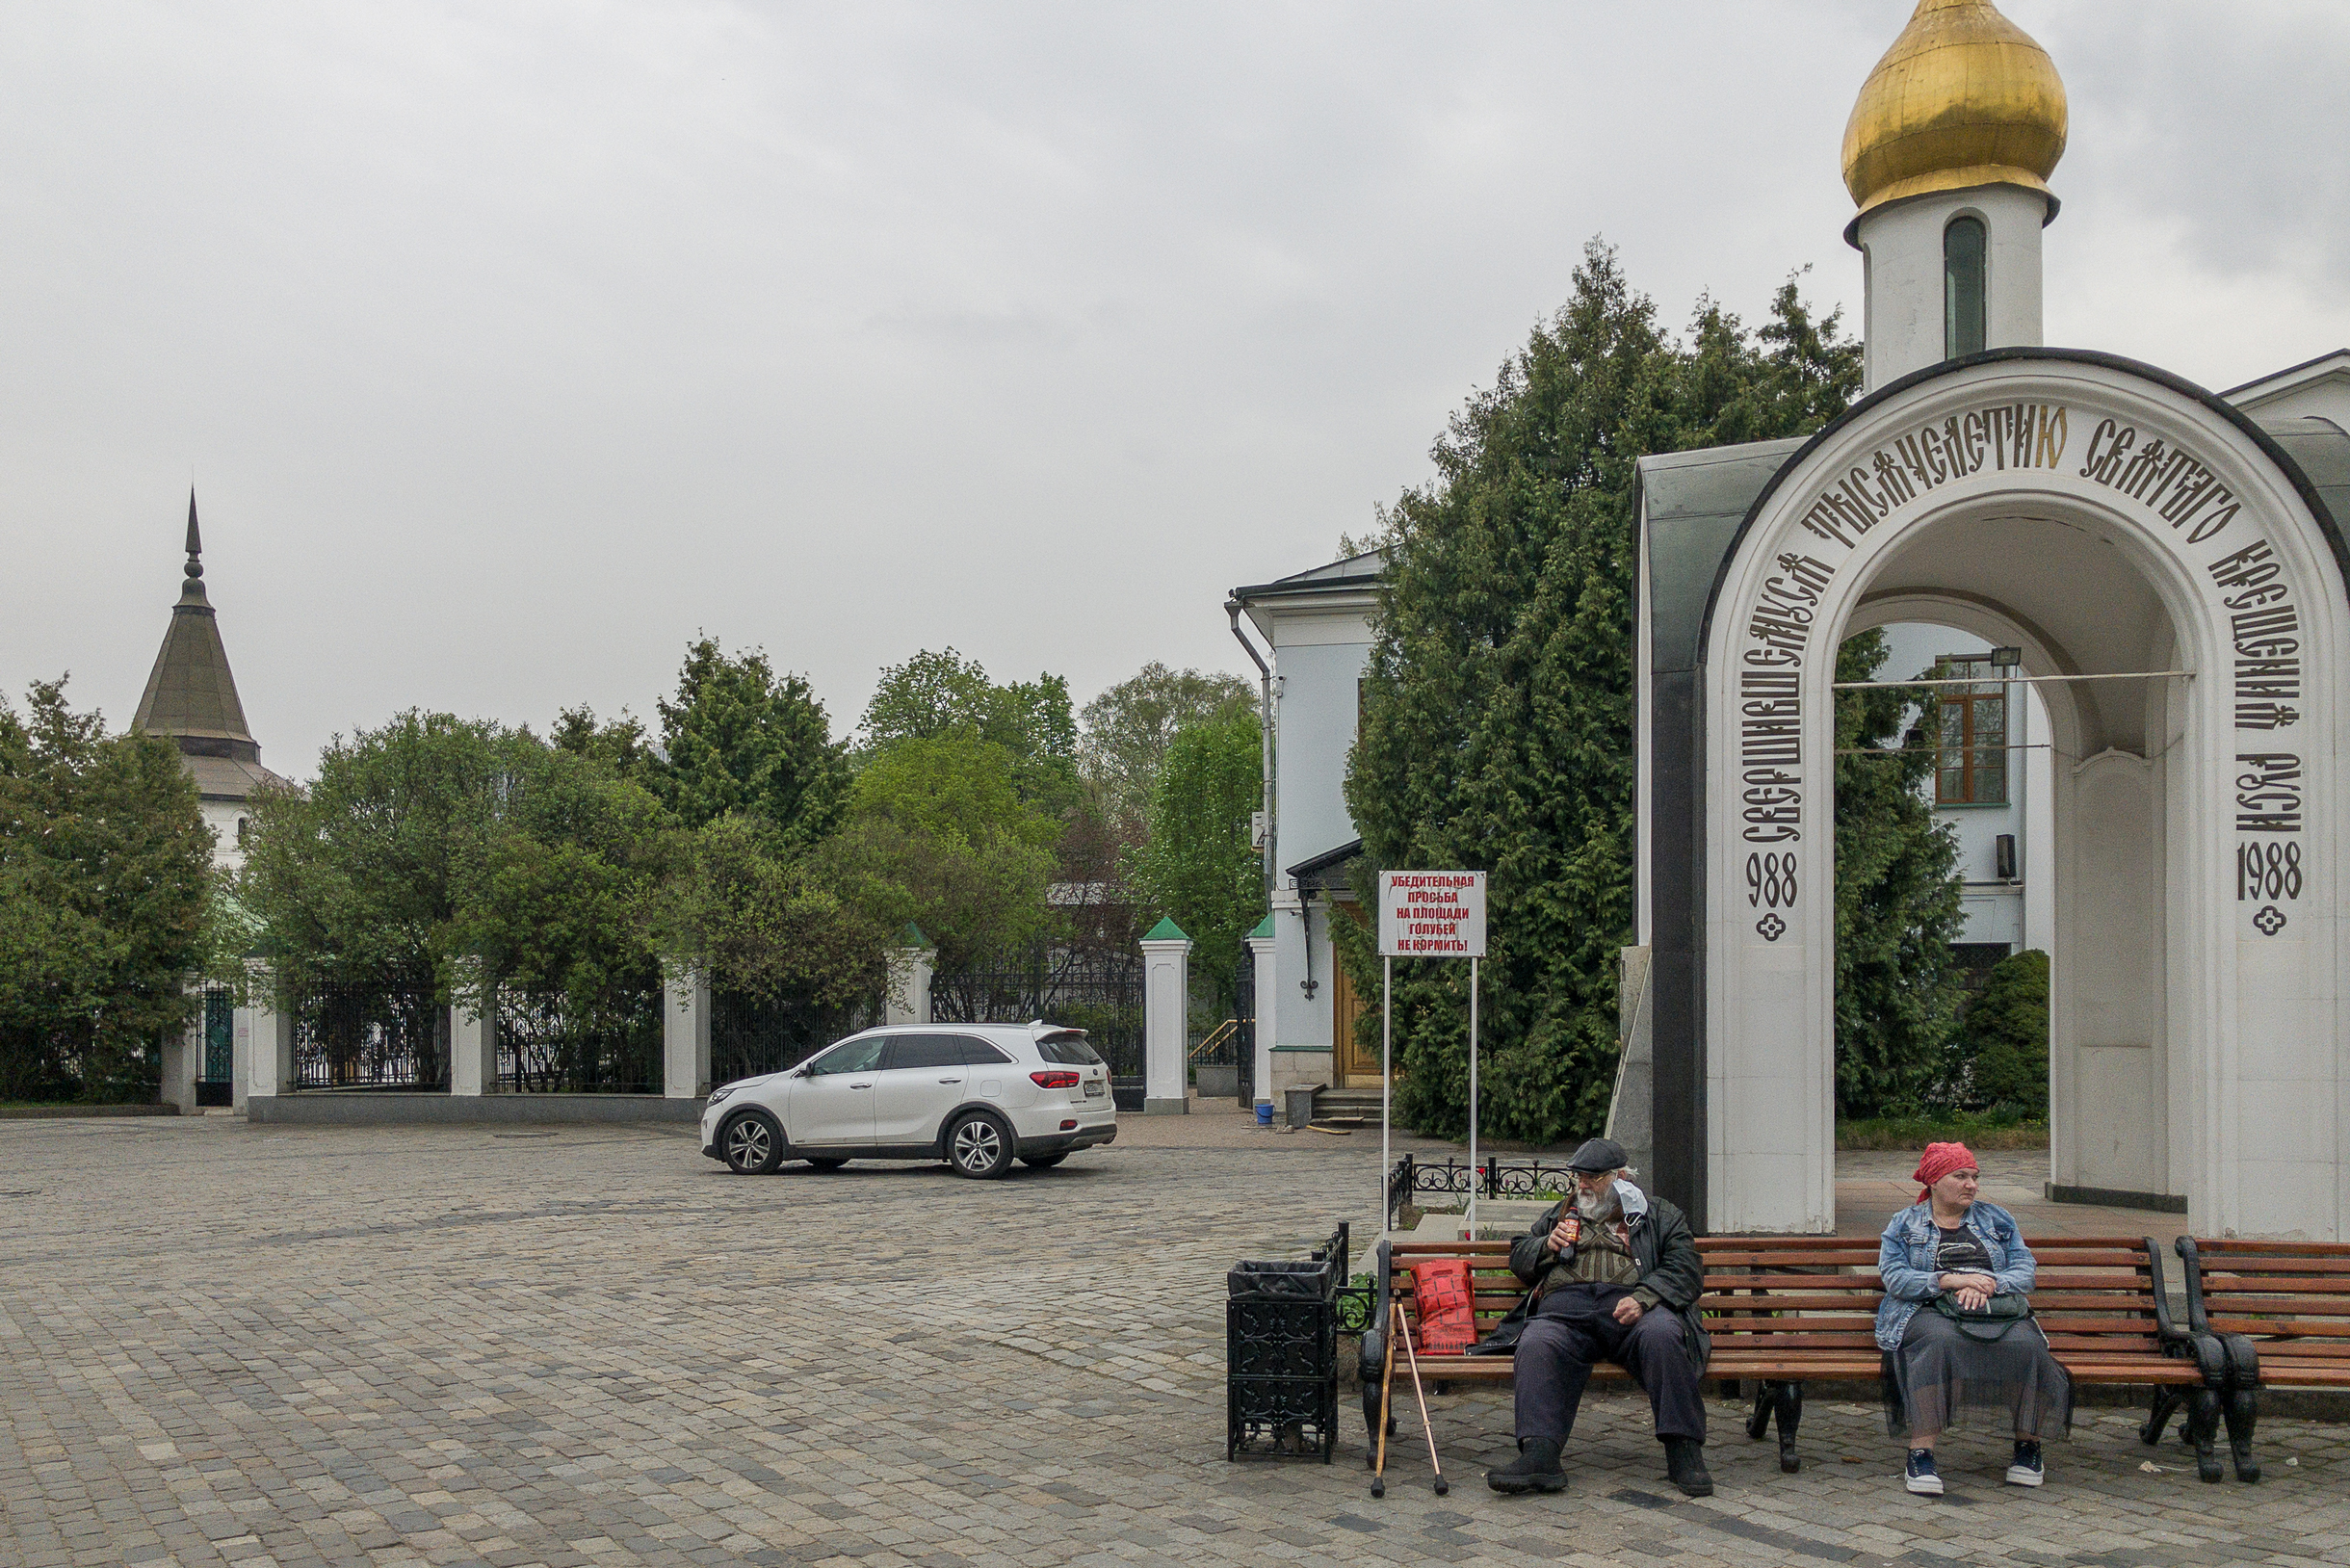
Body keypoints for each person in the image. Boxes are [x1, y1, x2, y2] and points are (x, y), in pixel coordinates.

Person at [1485, 1137, 1713, 1498]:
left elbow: (1686, 1268)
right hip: (1566, 1311)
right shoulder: (1562, 1213)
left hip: (1633, 1310)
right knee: (1537, 1341)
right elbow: (1519, 1256)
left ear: (1621, 1177)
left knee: (1664, 1335)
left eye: (1593, 1177)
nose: (1583, 1185)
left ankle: (1683, 1450)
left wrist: (1645, 1297)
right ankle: (1540, 1455)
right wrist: (1546, 1245)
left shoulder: (1657, 1214)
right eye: (1579, 1177)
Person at [1877, 1142, 2070, 1495]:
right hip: (1928, 1309)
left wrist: (1988, 1284)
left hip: (1994, 1308)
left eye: (1975, 1177)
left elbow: (2025, 1270)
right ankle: (1920, 1453)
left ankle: (2028, 1447)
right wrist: (1948, 1281)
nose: (1972, 1185)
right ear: (1935, 1180)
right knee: (1941, 1341)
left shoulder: (1996, 1218)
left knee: (2028, 1345)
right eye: (1961, 1176)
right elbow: (1894, 1277)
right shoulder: (1904, 1223)